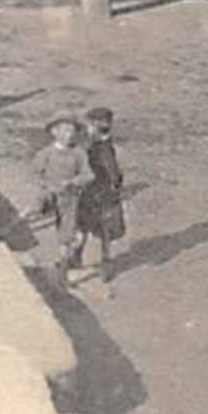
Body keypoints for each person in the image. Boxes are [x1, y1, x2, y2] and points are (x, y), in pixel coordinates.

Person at [32, 111, 93, 288]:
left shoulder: (78, 154)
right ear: (54, 132)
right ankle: (62, 273)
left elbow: (88, 175)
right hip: (51, 196)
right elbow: (37, 173)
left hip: (72, 199)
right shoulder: (45, 154)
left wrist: (73, 181)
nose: (69, 135)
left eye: (72, 131)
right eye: (65, 131)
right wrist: (45, 188)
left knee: (73, 236)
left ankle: (64, 269)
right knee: (61, 234)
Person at [79, 106, 127, 282]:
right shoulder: (99, 144)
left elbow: (112, 171)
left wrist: (115, 183)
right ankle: (99, 264)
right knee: (95, 228)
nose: (88, 128)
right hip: (97, 191)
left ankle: (101, 265)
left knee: (96, 227)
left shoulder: (102, 147)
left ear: (96, 125)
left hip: (98, 192)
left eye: (90, 125)